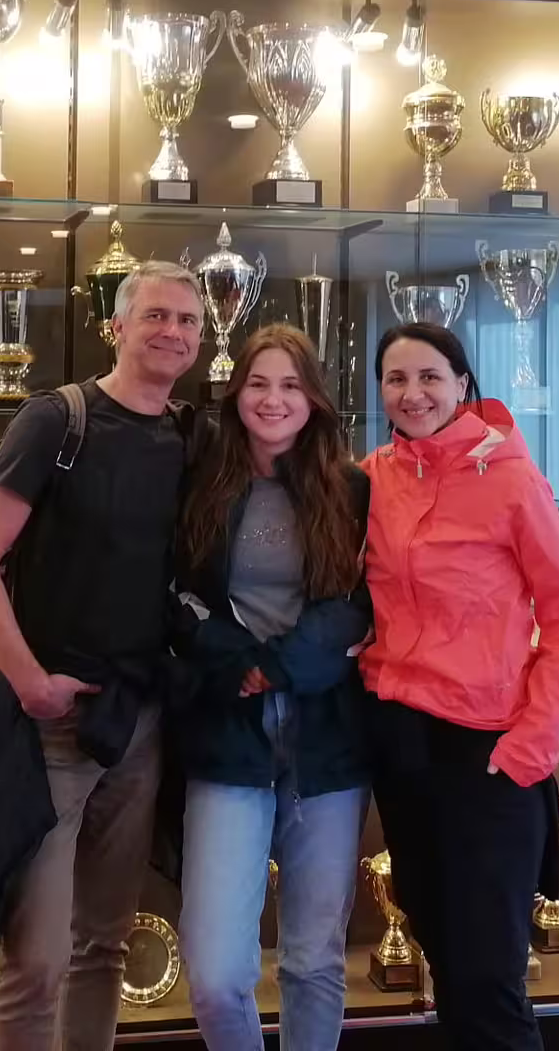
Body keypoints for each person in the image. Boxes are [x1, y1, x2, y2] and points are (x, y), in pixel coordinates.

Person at [0, 259, 207, 1051]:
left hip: (138, 723)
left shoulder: (189, 435)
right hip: (48, 727)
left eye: (187, 320)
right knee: (37, 961)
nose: (172, 332)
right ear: (116, 328)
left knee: (103, 946)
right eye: (155, 316)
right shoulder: (58, 421)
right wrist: (33, 686)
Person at [361, 323, 559, 1051]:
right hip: (401, 749)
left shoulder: (513, 480)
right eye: (396, 379)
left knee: (489, 977)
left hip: (487, 754)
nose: (413, 393)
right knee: (446, 961)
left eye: (430, 376)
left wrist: (534, 742)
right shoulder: (369, 479)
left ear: (463, 384)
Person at [173, 324, 370, 1051]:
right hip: (228, 734)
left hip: (328, 743)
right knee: (217, 973)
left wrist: (284, 664)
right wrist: (236, 661)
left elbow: (361, 601)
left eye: (290, 385)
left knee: (313, 962)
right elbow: (173, 596)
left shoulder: (352, 489)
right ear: (235, 395)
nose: (273, 399)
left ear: (313, 398)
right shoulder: (201, 485)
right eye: (258, 383)